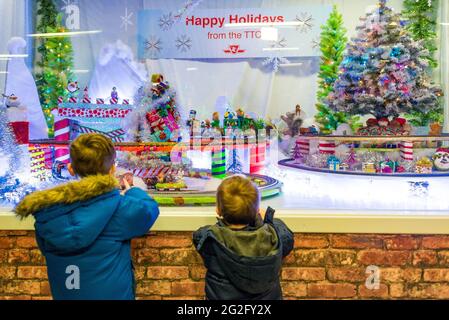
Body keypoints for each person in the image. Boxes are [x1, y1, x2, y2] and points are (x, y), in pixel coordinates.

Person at [14, 133, 159, 300]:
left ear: (71, 168)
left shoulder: (48, 212)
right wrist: (132, 191)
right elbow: (149, 211)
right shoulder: (118, 207)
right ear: (112, 169)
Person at [193, 175, 294, 300]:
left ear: (218, 210)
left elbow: (197, 236)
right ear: (257, 210)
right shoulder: (272, 236)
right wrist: (266, 220)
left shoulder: (211, 238)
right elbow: (287, 236)